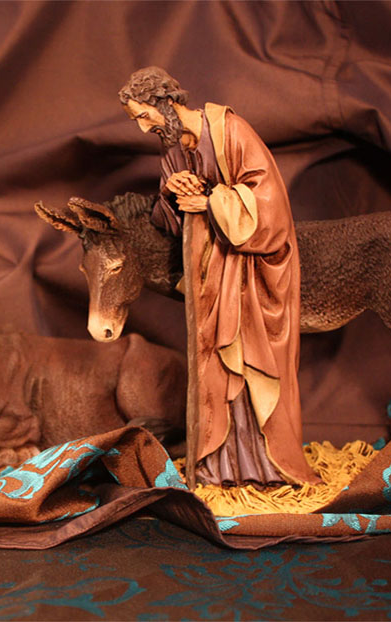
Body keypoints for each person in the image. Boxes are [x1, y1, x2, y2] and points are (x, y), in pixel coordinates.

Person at [119, 66, 321, 487]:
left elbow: (270, 205)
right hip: (213, 276)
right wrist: (172, 192)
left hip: (254, 271)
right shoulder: (172, 152)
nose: (143, 128)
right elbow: (170, 222)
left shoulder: (231, 131)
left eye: (143, 115)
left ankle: (270, 468)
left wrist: (211, 202)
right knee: (217, 369)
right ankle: (221, 467)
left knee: (253, 363)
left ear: (164, 102)